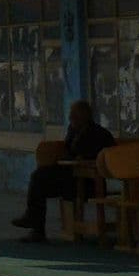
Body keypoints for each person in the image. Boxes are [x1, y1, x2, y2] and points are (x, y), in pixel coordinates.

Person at [11, 99, 115, 243]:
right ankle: (36, 227)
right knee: (39, 178)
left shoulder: (99, 134)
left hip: (88, 182)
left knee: (40, 179)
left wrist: (84, 159)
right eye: (71, 115)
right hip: (71, 177)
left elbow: (107, 157)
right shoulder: (73, 131)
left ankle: (34, 221)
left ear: (84, 116)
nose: (70, 118)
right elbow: (67, 151)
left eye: (74, 115)